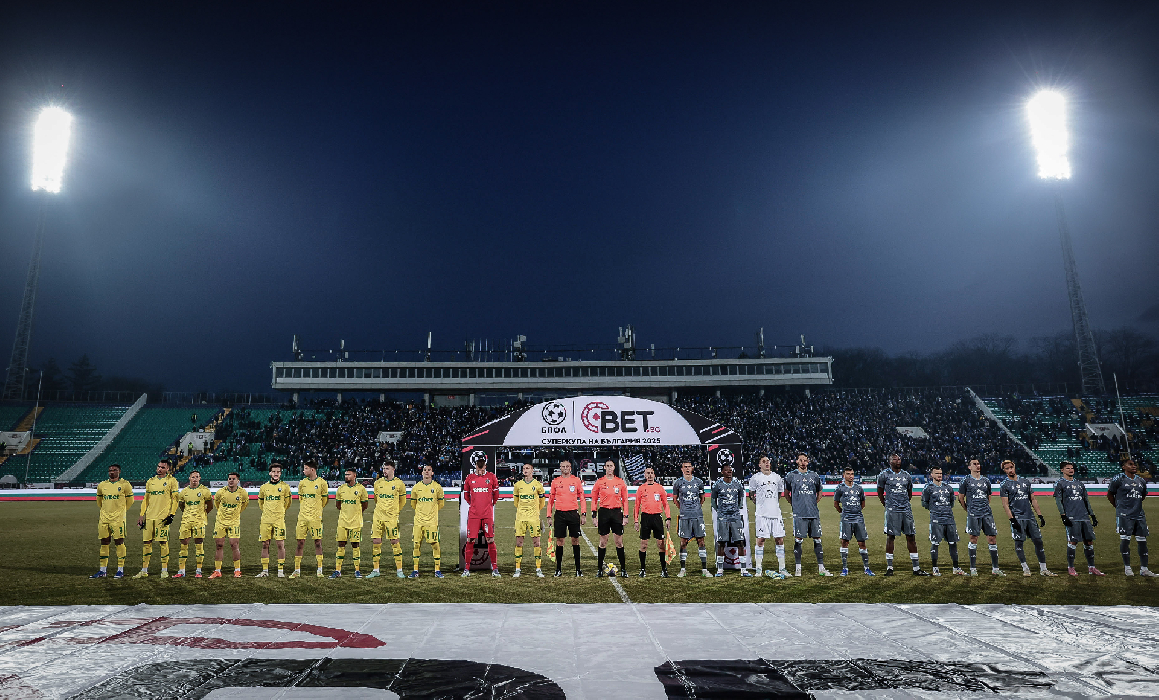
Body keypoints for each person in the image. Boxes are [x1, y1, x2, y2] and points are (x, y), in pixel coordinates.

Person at [999, 459, 1057, 577]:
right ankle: (1025, 569)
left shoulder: (1025, 481)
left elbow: (1033, 499)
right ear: (1004, 471)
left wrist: (1040, 515)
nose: (1010, 470)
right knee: (1019, 543)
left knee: (1038, 541)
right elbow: (1005, 504)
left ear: (1014, 467)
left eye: (1011, 467)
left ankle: (1044, 569)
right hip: (1017, 517)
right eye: (1007, 468)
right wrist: (1012, 519)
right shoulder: (1004, 484)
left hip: (1030, 517)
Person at [877, 453, 929, 576]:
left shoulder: (907, 475)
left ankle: (916, 568)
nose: (898, 461)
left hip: (906, 510)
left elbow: (909, 493)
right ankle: (890, 568)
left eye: (899, 459)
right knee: (890, 537)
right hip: (892, 510)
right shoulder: (884, 475)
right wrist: (887, 504)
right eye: (895, 459)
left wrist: (904, 503)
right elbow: (880, 492)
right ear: (890, 462)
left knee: (911, 537)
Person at [1054, 460, 1103, 577]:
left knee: (1089, 541)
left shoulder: (1080, 483)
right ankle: (1071, 567)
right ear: (1062, 470)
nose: (1071, 470)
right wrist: (1063, 516)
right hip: (1072, 516)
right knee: (1073, 541)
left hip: (1084, 516)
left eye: (1072, 468)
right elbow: (1058, 501)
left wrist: (1092, 515)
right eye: (1067, 468)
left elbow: (1086, 500)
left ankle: (1091, 568)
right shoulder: (1060, 483)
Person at [784, 454, 830, 577]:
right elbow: (786, 493)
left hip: (813, 513)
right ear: (797, 461)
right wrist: (794, 504)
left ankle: (821, 568)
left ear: (808, 462)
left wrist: (814, 503)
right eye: (801, 460)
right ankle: (798, 569)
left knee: (817, 539)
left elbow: (820, 491)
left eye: (805, 460)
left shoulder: (814, 476)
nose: (803, 462)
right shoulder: (791, 476)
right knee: (798, 540)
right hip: (799, 514)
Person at [957, 458, 1004, 576]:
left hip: (987, 513)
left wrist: (985, 507)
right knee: (973, 538)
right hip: (973, 514)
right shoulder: (965, 481)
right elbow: (960, 498)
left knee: (992, 539)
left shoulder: (986, 480)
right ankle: (973, 569)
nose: (977, 466)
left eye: (978, 464)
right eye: (974, 464)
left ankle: (995, 569)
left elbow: (989, 496)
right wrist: (968, 510)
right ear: (969, 467)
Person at [1108, 458, 1155, 576]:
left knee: (1142, 541)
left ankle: (1144, 569)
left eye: (1134, 464)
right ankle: (1127, 568)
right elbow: (1110, 494)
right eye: (1130, 464)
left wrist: (1135, 506)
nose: (1134, 466)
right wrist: (1119, 507)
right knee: (1125, 540)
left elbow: (1143, 495)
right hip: (1124, 515)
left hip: (1139, 515)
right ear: (1123, 467)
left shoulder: (1141, 481)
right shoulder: (1119, 479)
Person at [134, 459, 180, 578]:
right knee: (146, 543)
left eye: (163, 467)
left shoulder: (172, 481)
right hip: (149, 517)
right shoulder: (151, 481)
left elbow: (175, 499)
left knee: (163, 543)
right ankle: (144, 570)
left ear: (168, 469)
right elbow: (146, 499)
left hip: (162, 518)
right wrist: (141, 515)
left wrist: (171, 514)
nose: (159, 469)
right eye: (158, 466)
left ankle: (164, 570)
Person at [461, 451, 501, 577]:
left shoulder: (491, 477)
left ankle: (495, 568)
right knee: (470, 540)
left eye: (482, 468)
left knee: (490, 539)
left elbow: (496, 495)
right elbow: (466, 496)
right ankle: (466, 569)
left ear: (485, 466)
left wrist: (488, 506)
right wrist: (474, 505)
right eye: (478, 469)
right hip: (474, 515)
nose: (480, 471)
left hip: (487, 515)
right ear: (475, 466)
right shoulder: (470, 478)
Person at [747, 454, 788, 577]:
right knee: (760, 540)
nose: (767, 463)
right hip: (762, 515)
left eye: (768, 461)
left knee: (780, 540)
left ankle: (782, 568)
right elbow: (751, 493)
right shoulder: (755, 478)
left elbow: (779, 493)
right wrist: (759, 503)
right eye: (764, 461)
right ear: (759, 465)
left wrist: (772, 503)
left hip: (776, 514)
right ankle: (759, 569)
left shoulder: (777, 477)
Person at [91, 464, 133, 579]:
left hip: (118, 520)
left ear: (119, 472)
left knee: (119, 542)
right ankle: (102, 570)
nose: (112, 472)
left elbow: (130, 501)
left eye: (115, 470)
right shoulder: (102, 485)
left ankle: (120, 570)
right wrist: (105, 512)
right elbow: (99, 501)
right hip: (104, 519)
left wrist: (121, 512)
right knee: (104, 542)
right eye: (110, 470)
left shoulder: (125, 484)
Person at [921, 466, 965, 576]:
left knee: (953, 543)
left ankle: (956, 568)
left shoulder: (948, 488)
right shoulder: (928, 488)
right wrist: (935, 510)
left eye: (940, 473)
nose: (939, 475)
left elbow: (951, 502)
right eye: (936, 473)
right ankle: (935, 568)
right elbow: (924, 503)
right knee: (935, 543)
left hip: (949, 519)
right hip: (936, 519)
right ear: (931, 475)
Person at [546, 459, 587, 577]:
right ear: (560, 468)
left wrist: (583, 514)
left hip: (573, 514)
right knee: (560, 541)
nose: (565, 468)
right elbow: (551, 500)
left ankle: (578, 569)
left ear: (570, 468)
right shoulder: (555, 481)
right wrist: (549, 515)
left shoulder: (576, 480)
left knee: (575, 540)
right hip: (559, 514)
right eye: (563, 466)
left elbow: (582, 498)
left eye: (567, 466)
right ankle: (558, 569)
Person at [290, 459, 329, 578]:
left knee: (318, 542)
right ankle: (297, 570)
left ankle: (319, 570)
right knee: (300, 543)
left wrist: (317, 510)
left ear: (312, 469)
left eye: (306, 468)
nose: (303, 471)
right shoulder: (302, 483)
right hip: (302, 517)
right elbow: (301, 498)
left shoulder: (322, 483)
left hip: (315, 518)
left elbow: (324, 500)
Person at [833, 466, 874, 576]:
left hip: (858, 518)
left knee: (862, 543)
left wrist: (856, 511)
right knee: (844, 542)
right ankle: (845, 568)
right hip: (846, 519)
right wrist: (844, 513)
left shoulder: (859, 488)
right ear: (844, 475)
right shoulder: (840, 488)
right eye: (848, 474)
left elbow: (863, 503)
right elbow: (836, 504)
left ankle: (867, 568)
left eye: (852, 474)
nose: (850, 476)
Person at [591, 459, 629, 577]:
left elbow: (625, 500)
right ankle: (599, 570)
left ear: (614, 467)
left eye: (611, 466)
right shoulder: (599, 482)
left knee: (619, 542)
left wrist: (626, 516)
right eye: (607, 466)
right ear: (604, 468)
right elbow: (594, 499)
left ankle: (623, 570)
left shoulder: (620, 482)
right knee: (603, 542)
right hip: (604, 513)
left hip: (617, 513)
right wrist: (594, 515)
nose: (609, 468)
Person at [369, 460, 406, 578]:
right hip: (378, 517)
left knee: (395, 542)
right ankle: (375, 570)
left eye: (387, 468)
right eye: (384, 468)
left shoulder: (399, 484)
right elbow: (376, 499)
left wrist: (395, 512)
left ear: (393, 470)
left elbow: (402, 501)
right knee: (376, 542)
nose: (384, 471)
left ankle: (399, 570)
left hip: (391, 518)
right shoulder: (378, 483)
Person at [711, 463, 750, 577]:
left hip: (735, 517)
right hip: (723, 517)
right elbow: (713, 500)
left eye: (730, 470)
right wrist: (719, 510)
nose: (729, 472)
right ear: (722, 472)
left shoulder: (737, 484)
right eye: (727, 470)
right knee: (721, 543)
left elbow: (741, 497)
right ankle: (720, 570)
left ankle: (743, 570)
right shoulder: (717, 484)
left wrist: (738, 508)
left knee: (740, 542)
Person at [672, 460, 710, 577]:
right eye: (685, 467)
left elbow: (702, 498)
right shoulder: (678, 483)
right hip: (685, 516)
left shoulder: (699, 482)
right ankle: (683, 569)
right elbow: (675, 499)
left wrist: (696, 508)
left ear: (692, 468)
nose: (687, 469)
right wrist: (683, 509)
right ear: (682, 469)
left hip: (697, 516)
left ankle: (704, 570)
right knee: (683, 542)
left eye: (689, 466)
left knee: (701, 541)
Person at [174, 470, 213, 578]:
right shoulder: (184, 492)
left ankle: (198, 571)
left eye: (197, 477)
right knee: (183, 544)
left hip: (199, 522)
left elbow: (210, 506)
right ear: (189, 478)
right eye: (193, 477)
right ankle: (181, 571)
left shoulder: (205, 491)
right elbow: (181, 505)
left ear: (199, 478)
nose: (195, 479)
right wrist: (188, 514)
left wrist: (202, 515)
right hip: (186, 521)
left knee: (199, 544)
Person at [330, 468, 368, 578]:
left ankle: (357, 570)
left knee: (355, 545)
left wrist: (356, 513)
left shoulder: (361, 489)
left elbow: (365, 505)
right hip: (342, 522)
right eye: (345, 474)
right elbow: (338, 505)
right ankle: (338, 570)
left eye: (349, 474)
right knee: (341, 545)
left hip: (356, 523)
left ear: (354, 476)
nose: (346, 476)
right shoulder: (341, 489)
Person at [409, 464, 445, 578]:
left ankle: (437, 570)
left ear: (432, 473)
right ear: (422, 472)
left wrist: (431, 512)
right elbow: (413, 504)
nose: (427, 472)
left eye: (429, 470)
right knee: (416, 545)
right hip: (418, 522)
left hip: (431, 522)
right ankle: (415, 570)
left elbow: (441, 504)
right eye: (425, 470)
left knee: (435, 545)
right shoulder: (416, 487)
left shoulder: (437, 487)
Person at [635, 465, 671, 577]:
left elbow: (665, 504)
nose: (650, 475)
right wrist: (636, 520)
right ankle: (642, 569)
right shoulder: (641, 488)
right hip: (645, 518)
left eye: (651, 473)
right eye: (648, 473)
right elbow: (637, 505)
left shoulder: (660, 488)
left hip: (657, 518)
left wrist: (668, 518)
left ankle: (664, 569)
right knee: (643, 545)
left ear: (654, 475)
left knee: (661, 544)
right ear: (645, 475)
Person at [210, 472, 248, 578]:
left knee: (234, 545)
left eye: (233, 479)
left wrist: (236, 513)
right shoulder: (220, 492)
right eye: (229, 479)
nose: (231, 480)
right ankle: (217, 571)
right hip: (220, 522)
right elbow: (217, 504)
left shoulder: (242, 493)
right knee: (219, 545)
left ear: (238, 481)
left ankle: (237, 570)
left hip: (234, 522)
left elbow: (245, 504)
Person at [256, 463, 290, 577]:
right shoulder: (264, 487)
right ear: (270, 473)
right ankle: (265, 571)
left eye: (278, 472)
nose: (276, 474)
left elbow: (288, 503)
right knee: (265, 544)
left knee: (280, 544)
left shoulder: (285, 487)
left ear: (281, 473)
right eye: (274, 471)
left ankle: (280, 571)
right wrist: (267, 512)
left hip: (279, 520)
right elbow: (261, 503)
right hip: (266, 520)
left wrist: (280, 512)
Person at [512, 463, 545, 578]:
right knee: (519, 543)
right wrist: (522, 511)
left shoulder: (538, 485)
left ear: (532, 470)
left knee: (537, 543)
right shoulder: (518, 485)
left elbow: (542, 502)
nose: (525, 470)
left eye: (527, 468)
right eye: (524, 468)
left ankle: (538, 569)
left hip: (533, 518)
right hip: (520, 518)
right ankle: (517, 569)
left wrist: (535, 512)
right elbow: (516, 502)